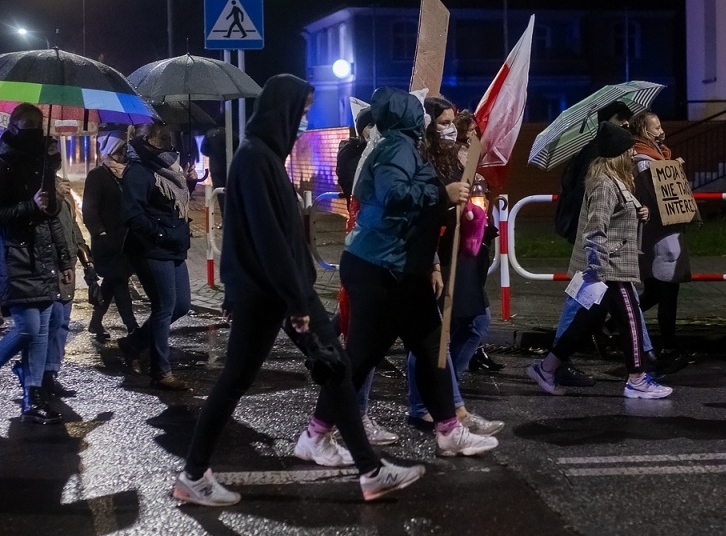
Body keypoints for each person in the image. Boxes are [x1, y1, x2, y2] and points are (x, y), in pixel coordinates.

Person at [175, 75, 426, 506]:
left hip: (279, 291)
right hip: (271, 294)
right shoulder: (255, 161)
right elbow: (270, 239)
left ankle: (368, 469)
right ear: (283, 110)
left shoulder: (265, 159)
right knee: (243, 378)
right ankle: (194, 474)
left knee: (333, 366)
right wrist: (297, 302)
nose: (303, 121)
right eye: (302, 111)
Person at [310, 86, 498, 463]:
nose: (427, 121)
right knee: (363, 357)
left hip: (395, 269)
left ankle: (449, 429)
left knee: (430, 349)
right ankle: (316, 435)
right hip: (383, 269)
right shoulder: (396, 147)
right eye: (420, 113)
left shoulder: (395, 146)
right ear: (408, 116)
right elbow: (397, 195)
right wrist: (443, 195)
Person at [528, 123, 673, 400]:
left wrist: (638, 212)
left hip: (611, 265)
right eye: (629, 148)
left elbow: (617, 215)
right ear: (617, 153)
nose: (634, 152)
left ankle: (546, 368)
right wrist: (598, 270)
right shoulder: (605, 184)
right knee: (629, 318)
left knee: (584, 323)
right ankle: (637, 380)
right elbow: (595, 230)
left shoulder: (614, 180)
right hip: (609, 268)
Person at [399, 97, 502, 437]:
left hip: (463, 252)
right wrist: (432, 264)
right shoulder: (419, 160)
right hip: (436, 255)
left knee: (476, 323)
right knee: (431, 336)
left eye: (451, 121)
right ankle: (445, 407)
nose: (449, 128)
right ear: (427, 125)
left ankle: (441, 393)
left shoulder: (452, 156)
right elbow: (420, 214)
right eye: (443, 122)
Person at [0, 104, 72, 424]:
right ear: (12, 126)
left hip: (41, 255)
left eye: (38, 124)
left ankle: (33, 397)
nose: (34, 129)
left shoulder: (40, 163)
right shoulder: (1, 164)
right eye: (27, 124)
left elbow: (50, 216)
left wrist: (63, 255)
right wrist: (30, 205)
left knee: (40, 333)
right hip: (13, 254)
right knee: (28, 329)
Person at [117, 122, 193, 390]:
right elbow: (132, 214)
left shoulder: (168, 169)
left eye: (168, 138)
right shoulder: (139, 170)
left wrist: (190, 183)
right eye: (161, 138)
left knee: (181, 304)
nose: (167, 143)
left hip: (173, 246)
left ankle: (133, 343)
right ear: (146, 139)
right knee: (164, 307)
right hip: (151, 249)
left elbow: (172, 204)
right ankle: (161, 372)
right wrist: (159, 234)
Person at [629, 110, 695, 362]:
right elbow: (656, 197)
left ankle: (610, 325)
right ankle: (669, 346)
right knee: (668, 293)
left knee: (656, 293)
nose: (660, 131)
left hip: (663, 233)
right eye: (655, 128)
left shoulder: (657, 157)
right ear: (643, 132)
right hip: (659, 236)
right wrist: (672, 170)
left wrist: (671, 168)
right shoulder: (643, 161)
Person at [81, 134, 139, 342]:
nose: (123, 156)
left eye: (124, 151)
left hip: (125, 240)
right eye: (119, 151)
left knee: (113, 281)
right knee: (119, 280)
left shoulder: (127, 175)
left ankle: (96, 321)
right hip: (106, 241)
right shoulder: (97, 175)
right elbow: (89, 209)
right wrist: (100, 232)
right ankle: (132, 325)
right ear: (108, 152)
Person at [43, 173, 87, 399]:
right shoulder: (49, 202)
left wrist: (84, 253)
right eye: (60, 183)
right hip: (55, 266)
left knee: (62, 323)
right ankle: (39, 373)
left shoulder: (65, 201)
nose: (65, 185)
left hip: (67, 264)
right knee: (54, 320)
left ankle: (51, 371)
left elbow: (73, 230)